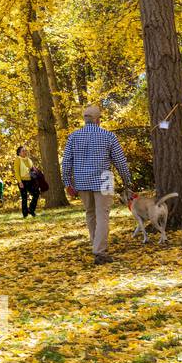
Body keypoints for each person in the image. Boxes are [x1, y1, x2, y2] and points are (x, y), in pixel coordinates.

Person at [61, 104, 134, 265]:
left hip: (82, 181)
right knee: (102, 215)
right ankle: (99, 251)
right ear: (97, 120)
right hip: (105, 179)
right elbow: (120, 162)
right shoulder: (108, 136)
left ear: (85, 120)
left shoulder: (73, 137)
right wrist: (127, 180)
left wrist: (68, 183)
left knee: (90, 213)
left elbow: (66, 163)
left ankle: (96, 245)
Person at [15, 144, 40, 217]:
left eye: (25, 151)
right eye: (23, 151)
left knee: (36, 193)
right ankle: (25, 214)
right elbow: (16, 172)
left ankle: (31, 209)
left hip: (30, 181)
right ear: (19, 153)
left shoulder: (28, 160)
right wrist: (20, 182)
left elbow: (32, 169)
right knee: (24, 197)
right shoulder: (18, 159)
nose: (25, 152)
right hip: (22, 181)